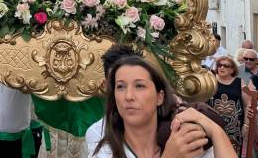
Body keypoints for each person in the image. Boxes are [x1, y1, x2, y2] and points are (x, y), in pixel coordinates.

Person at [92, 55, 236, 158]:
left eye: (140, 86)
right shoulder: (105, 153)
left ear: (159, 97)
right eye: (121, 87)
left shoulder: (185, 141)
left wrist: (215, 130)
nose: (128, 96)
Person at [86, 45, 135, 156]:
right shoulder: (97, 133)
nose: (128, 95)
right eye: (120, 85)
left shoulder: (166, 124)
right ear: (105, 85)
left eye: (138, 85)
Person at [207, 55, 250, 155]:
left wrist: (246, 125)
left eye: (226, 66)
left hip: (234, 127)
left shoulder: (240, 82)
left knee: (233, 152)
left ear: (232, 69)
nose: (222, 67)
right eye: (220, 65)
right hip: (213, 124)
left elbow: (247, 104)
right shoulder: (211, 80)